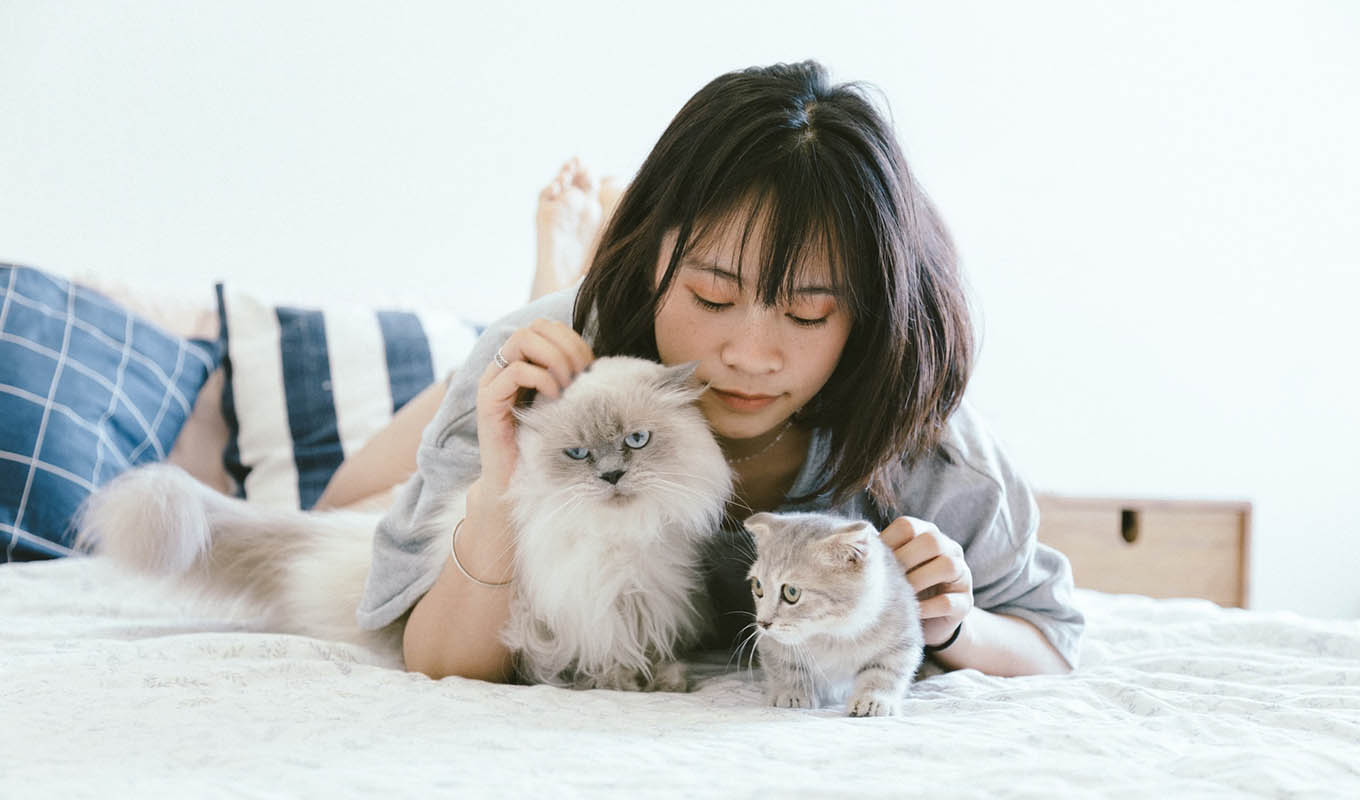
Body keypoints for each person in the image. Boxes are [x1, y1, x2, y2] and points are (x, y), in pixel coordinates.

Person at [334, 60, 1084, 683]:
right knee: (341, 503)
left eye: (809, 313)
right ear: (651, 250)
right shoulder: (531, 375)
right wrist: (501, 491)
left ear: (871, 315)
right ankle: (559, 278)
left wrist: (955, 624)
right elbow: (435, 661)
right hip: (588, 344)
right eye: (712, 295)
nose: (752, 356)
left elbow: (1048, 643)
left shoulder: (926, 439)